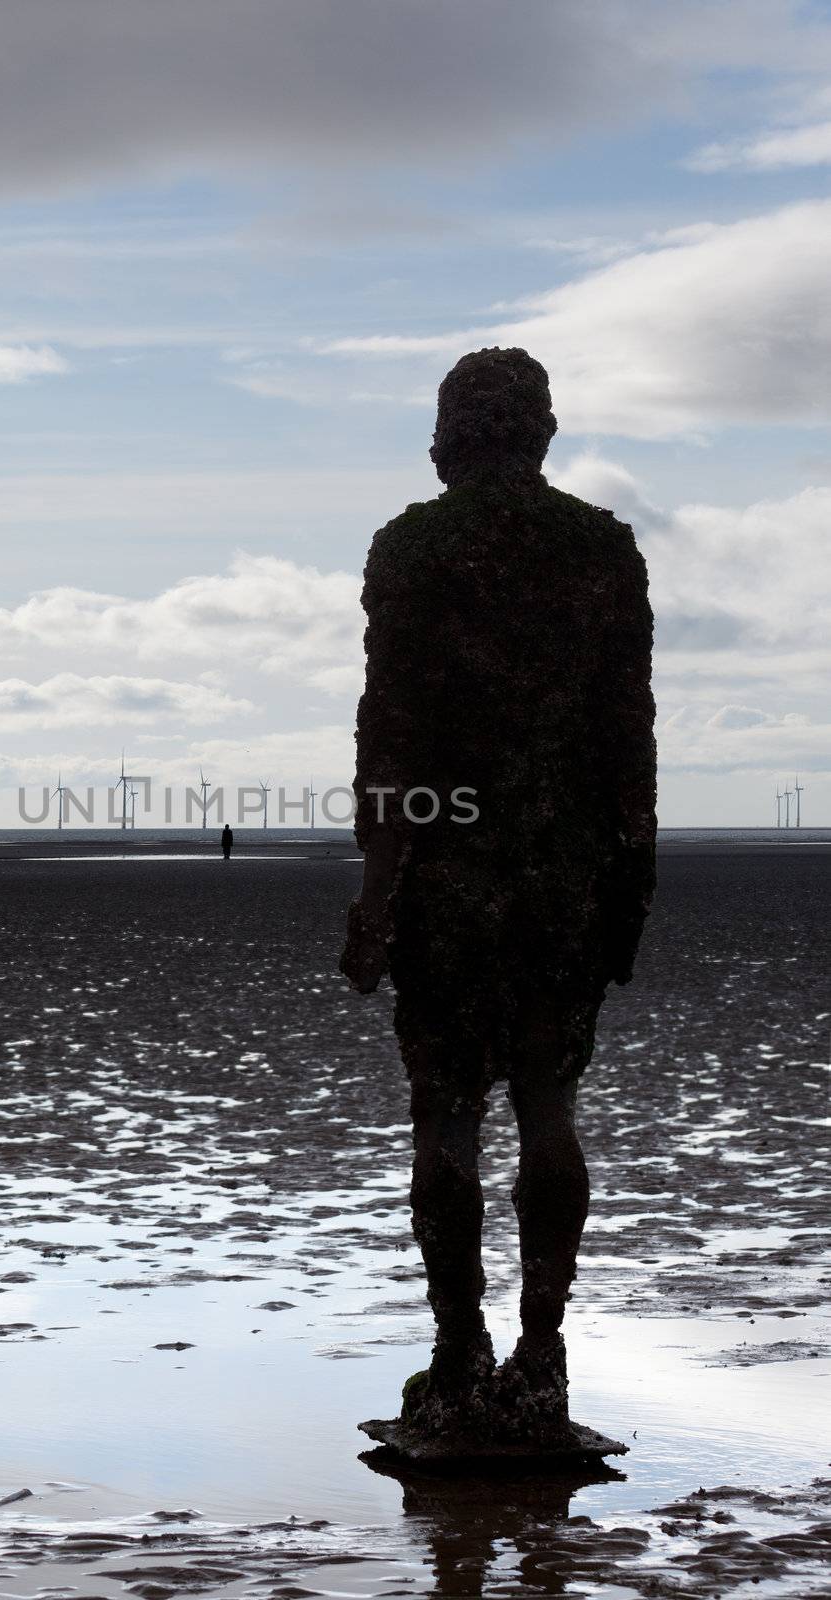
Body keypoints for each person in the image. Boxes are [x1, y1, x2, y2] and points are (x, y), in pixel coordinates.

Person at [341, 347, 656, 1460]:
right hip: (566, 881)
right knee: (546, 1103)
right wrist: (631, 882)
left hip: (447, 880)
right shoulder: (600, 550)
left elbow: (391, 739)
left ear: (450, 433)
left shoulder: (412, 548)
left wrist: (377, 891)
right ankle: (540, 1354)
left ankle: (459, 1351)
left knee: (445, 1114)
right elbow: (628, 737)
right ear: (538, 430)